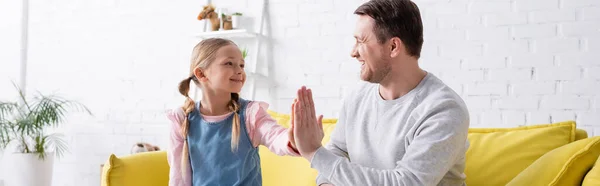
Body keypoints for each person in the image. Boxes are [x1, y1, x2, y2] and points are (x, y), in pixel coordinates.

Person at [291, 0, 471, 185]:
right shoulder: (357, 98)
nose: (353, 52)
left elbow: (405, 183)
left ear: (393, 47)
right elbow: (337, 151)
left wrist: (314, 153)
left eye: (361, 41)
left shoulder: (444, 110)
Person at [166, 38, 301, 186]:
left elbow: (275, 136)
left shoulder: (251, 114)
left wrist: (295, 140)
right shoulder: (181, 118)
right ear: (201, 74)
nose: (239, 71)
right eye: (229, 63)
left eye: (242, 65)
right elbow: (179, 178)